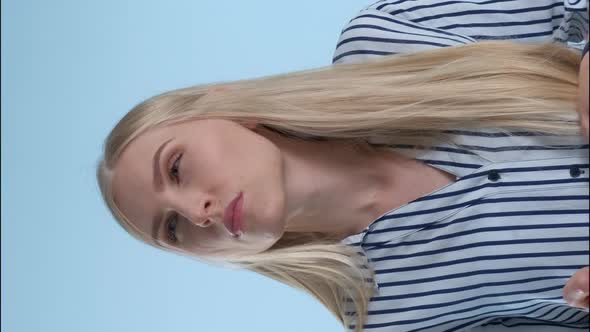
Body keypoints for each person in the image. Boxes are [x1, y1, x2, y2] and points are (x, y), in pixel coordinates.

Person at [97, 4, 589, 332]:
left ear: (222, 106)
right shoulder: (391, 315)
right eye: (174, 229)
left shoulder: (384, 41)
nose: (196, 212)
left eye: (177, 168)